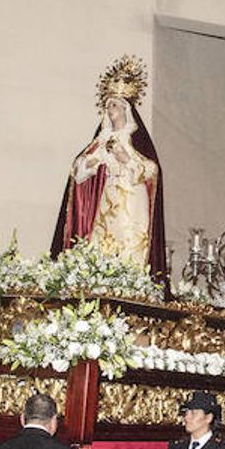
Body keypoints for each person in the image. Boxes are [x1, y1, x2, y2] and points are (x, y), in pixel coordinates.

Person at [51, 55, 167, 283]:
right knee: (103, 241)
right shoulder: (103, 138)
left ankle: (131, 285)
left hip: (132, 198)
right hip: (109, 194)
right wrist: (93, 163)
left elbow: (152, 170)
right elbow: (78, 171)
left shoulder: (135, 137)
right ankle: (104, 283)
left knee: (130, 240)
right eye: (108, 105)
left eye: (114, 104)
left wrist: (125, 158)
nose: (110, 109)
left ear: (126, 108)